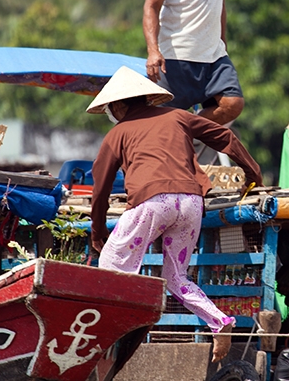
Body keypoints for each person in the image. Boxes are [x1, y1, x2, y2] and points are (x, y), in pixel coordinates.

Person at [86, 66, 264, 362]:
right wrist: (253, 172)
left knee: (112, 265)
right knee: (176, 277)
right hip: (191, 203)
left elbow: (100, 188)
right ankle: (220, 321)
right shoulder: (178, 116)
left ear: (118, 105)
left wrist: (98, 231)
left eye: (110, 108)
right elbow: (225, 137)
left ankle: (114, 330)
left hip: (152, 203)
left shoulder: (117, 133)